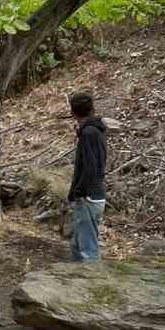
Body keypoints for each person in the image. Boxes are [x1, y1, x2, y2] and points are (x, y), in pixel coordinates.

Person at [68, 90, 107, 262]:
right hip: (92, 195)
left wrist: (80, 192)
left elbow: (91, 168)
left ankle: (91, 285)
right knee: (77, 246)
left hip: (89, 197)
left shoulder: (90, 133)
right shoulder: (93, 131)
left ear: (73, 112)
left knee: (87, 251)